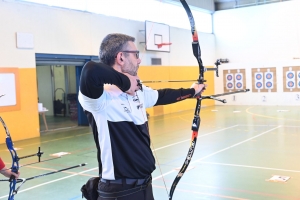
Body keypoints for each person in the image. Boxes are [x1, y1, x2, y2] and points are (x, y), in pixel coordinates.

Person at [78, 33, 206, 200]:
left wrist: (192, 91)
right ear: (121, 57)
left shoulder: (138, 93)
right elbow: (90, 70)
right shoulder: (100, 99)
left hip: (144, 186)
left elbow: (163, 95)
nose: (139, 60)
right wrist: (125, 82)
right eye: (136, 54)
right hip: (119, 192)